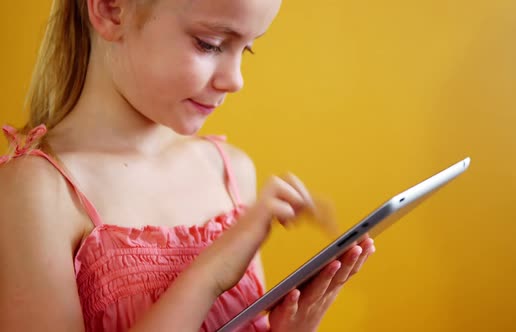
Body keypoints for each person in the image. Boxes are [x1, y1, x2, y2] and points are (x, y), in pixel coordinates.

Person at [0, 0, 376, 331]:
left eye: (246, 50)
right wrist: (209, 275)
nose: (235, 81)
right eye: (209, 44)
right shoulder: (34, 193)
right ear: (111, 9)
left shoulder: (230, 172)